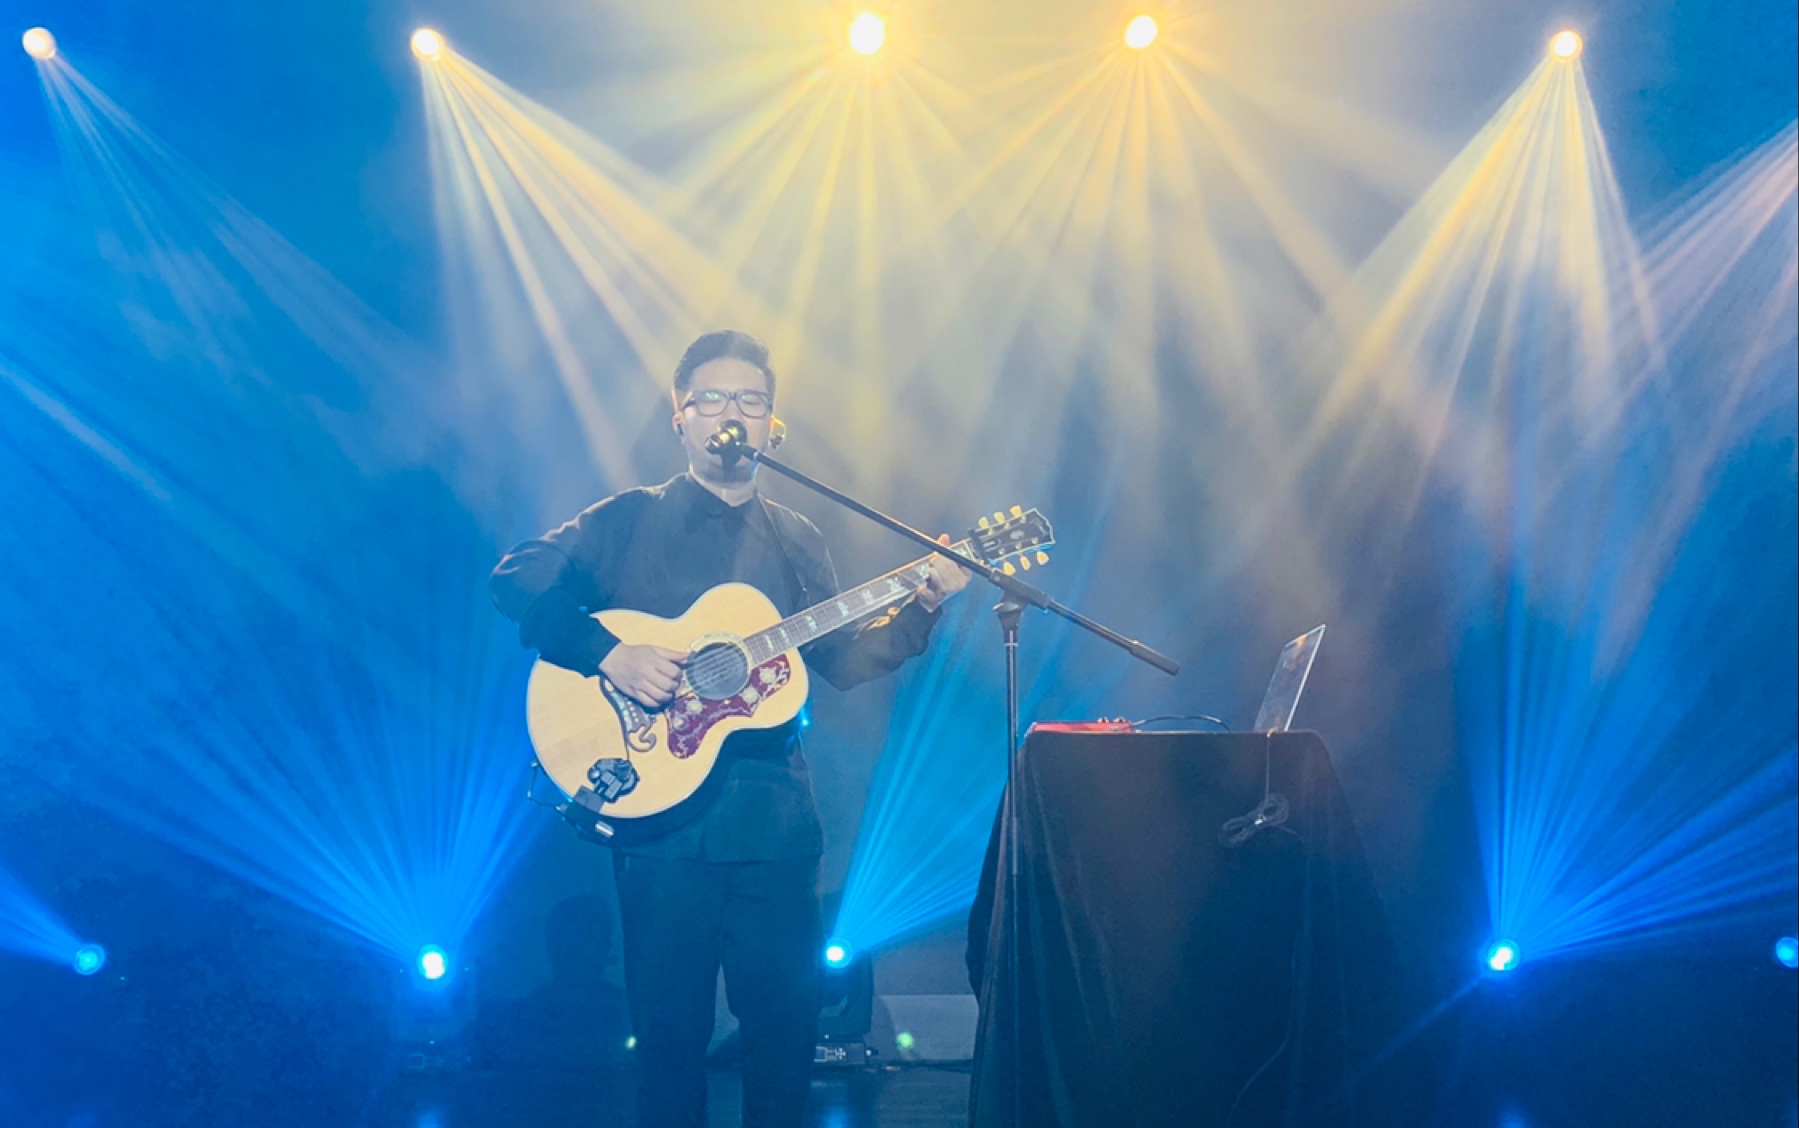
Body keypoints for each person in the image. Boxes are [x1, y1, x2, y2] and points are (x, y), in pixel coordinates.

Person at [490, 329, 969, 1128]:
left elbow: (845, 661)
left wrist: (923, 603)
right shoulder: (623, 522)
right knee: (670, 1040)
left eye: (750, 400)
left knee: (783, 1039)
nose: (730, 413)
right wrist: (607, 652)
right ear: (679, 419)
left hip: (775, 826)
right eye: (710, 397)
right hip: (659, 829)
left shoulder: (796, 538)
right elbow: (515, 579)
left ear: (770, 427)